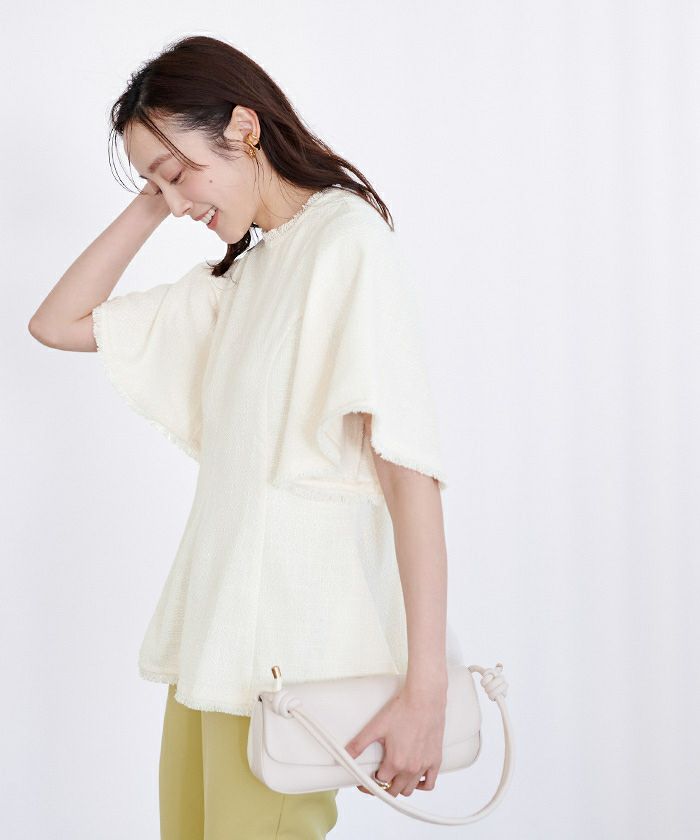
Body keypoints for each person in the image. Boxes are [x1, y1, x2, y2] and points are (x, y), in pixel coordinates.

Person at [28, 35, 464, 839]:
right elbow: (57, 324)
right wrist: (156, 193)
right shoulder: (241, 281)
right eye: (158, 184)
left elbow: (409, 471)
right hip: (211, 651)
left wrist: (425, 688)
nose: (177, 203)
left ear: (244, 127)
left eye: (178, 173)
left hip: (290, 663)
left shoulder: (346, 241)